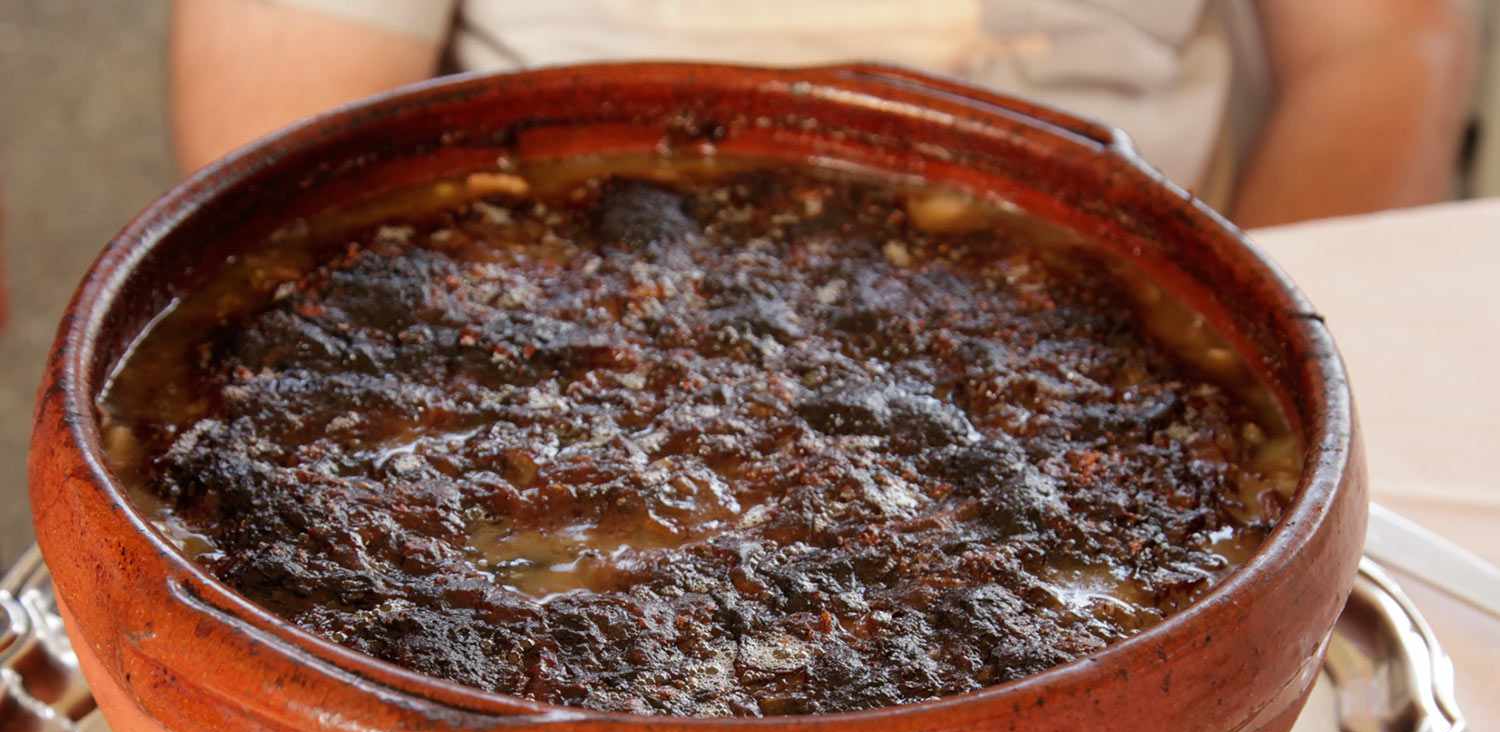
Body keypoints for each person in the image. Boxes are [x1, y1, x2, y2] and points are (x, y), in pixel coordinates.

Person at [170, 0, 1478, 228]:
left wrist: (1258, 347)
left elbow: (1379, 42)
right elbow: (274, 148)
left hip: (1099, 284)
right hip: (561, 252)